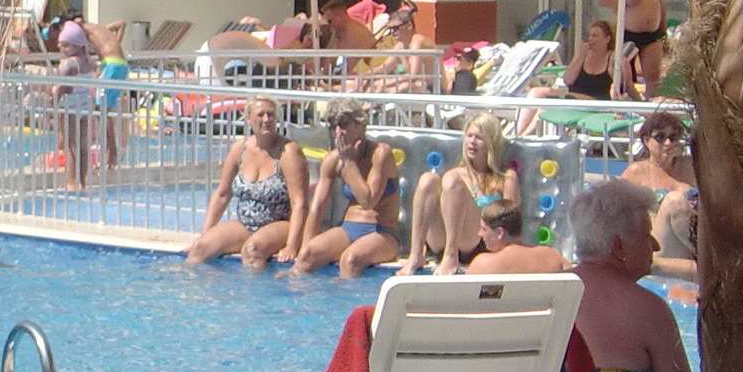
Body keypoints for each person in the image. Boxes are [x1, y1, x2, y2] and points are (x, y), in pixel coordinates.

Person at [563, 180, 702, 372]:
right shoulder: (649, 309)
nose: (656, 246)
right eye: (646, 234)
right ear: (618, 246)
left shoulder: (550, 294)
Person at [186, 97, 309, 268]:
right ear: (248, 118)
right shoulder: (240, 149)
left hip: (279, 224)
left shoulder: (288, 152)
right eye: (260, 115)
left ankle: (256, 286)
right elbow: (222, 195)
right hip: (246, 224)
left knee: (252, 251)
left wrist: (292, 245)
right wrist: (204, 235)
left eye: (270, 115)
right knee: (200, 248)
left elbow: (299, 203)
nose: (266, 119)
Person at [398, 112, 516, 277]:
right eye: (469, 136)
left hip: (481, 243)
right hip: (442, 242)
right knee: (428, 180)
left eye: (479, 138)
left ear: (491, 142)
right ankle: (416, 255)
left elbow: (512, 222)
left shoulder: (505, 177)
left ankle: (451, 256)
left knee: (452, 181)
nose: (472, 141)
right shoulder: (456, 175)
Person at [289, 107, 402, 276]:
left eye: (343, 124)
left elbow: (368, 201)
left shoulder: (381, 154)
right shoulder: (333, 159)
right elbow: (318, 207)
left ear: (361, 125)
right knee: (307, 256)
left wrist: (349, 162)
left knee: (350, 260)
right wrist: (304, 250)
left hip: (384, 232)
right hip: (349, 228)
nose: (338, 132)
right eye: (333, 126)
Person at [620, 109, 701, 280]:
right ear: (646, 141)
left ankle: (708, 258)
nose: (668, 143)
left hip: (689, 249)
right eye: (660, 137)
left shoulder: (692, 168)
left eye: (673, 137)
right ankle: (710, 258)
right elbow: (614, 212)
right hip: (659, 249)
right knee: (674, 201)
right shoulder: (637, 172)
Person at [464, 198, 566, 274]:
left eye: (484, 229)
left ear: (500, 233)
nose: (480, 234)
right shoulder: (552, 256)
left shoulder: (482, 264)